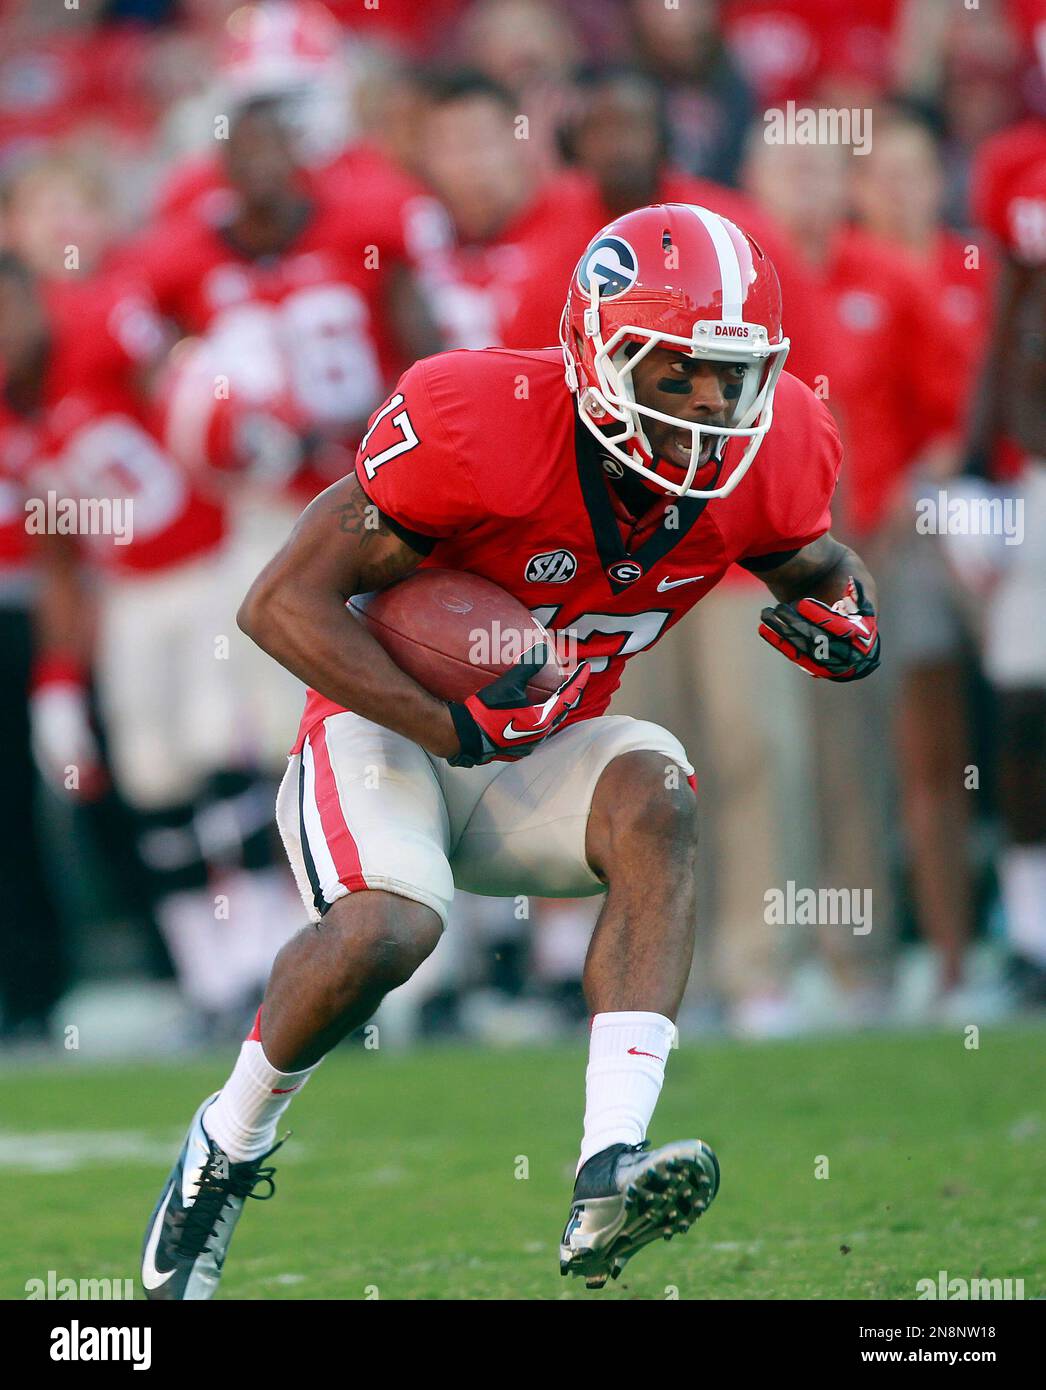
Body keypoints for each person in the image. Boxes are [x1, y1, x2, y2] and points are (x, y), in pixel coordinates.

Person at [141, 203, 880, 1299]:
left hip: (545, 747)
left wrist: (849, 618)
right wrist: (449, 726)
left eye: (731, 377)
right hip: (389, 727)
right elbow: (280, 602)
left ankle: (607, 1168)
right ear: (596, 351)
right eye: (676, 372)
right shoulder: (476, 419)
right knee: (389, 930)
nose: (706, 406)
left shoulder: (771, 454)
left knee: (658, 794)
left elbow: (814, 564)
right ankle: (226, 1142)